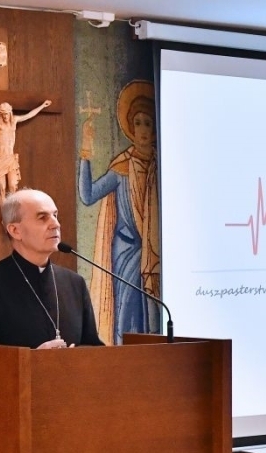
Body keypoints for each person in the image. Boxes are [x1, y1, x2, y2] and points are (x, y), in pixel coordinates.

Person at [0, 188, 104, 348]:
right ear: (15, 230)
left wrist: (74, 356)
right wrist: (32, 358)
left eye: (55, 215)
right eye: (42, 217)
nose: (56, 224)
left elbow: (93, 347)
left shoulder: (75, 283)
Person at [78, 80, 160, 345]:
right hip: (127, 254)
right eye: (138, 123)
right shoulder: (121, 169)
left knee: (156, 321)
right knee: (127, 318)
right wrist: (86, 152)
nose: (143, 129)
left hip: (156, 256)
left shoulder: (163, 167)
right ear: (130, 127)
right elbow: (88, 195)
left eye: (148, 123)